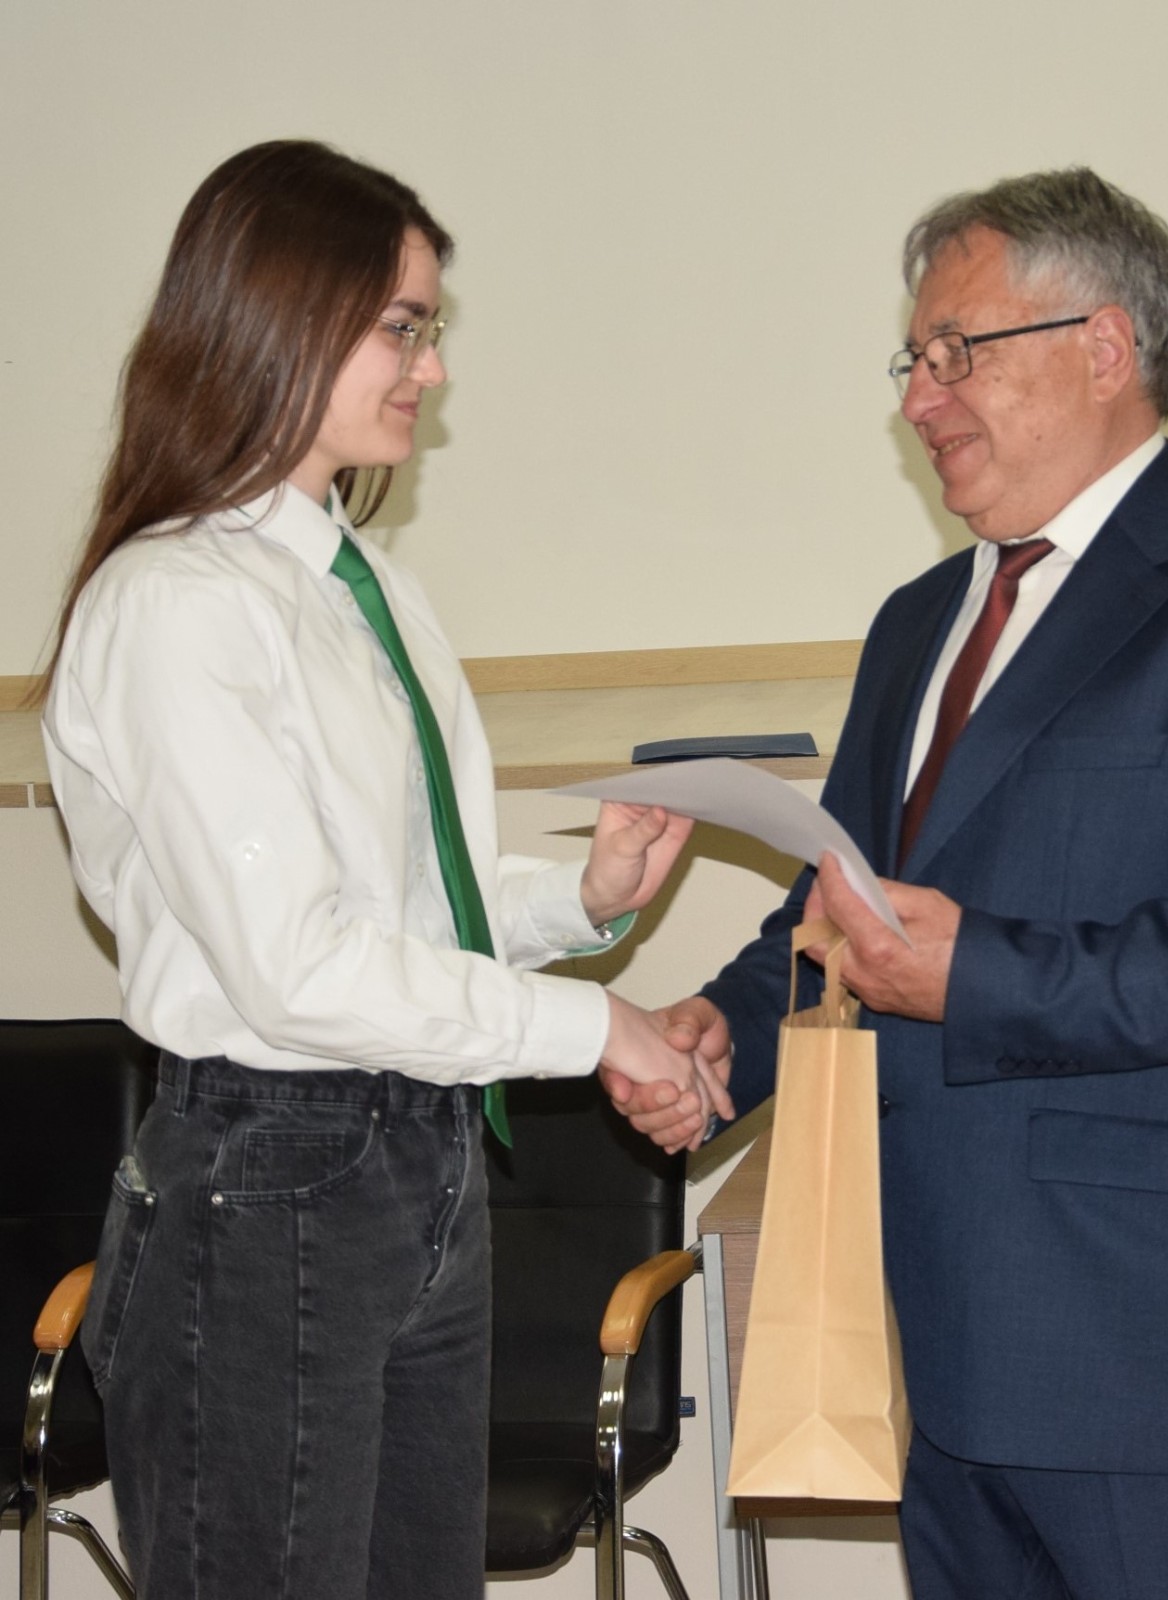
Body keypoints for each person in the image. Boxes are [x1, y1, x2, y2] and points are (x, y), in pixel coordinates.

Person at [605, 168, 1168, 1599]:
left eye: (957, 351)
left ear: (1104, 346)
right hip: (946, 1359)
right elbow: (842, 910)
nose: (920, 399)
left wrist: (977, 975)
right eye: (913, 360)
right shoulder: (918, 621)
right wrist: (726, 1037)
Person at [41, 140, 729, 1600]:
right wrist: (598, 1026)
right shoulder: (176, 601)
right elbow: (296, 970)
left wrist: (576, 903)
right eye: (402, 327)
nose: (433, 368)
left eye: (433, 329)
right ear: (280, 315)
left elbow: (399, 904)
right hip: (269, 1175)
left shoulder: (367, 589)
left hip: (418, 1166)